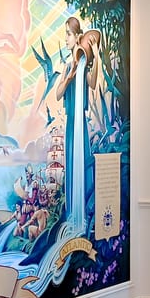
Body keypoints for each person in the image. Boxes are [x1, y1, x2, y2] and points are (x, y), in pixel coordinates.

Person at [54, 16, 103, 233]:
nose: (66, 39)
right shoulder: (68, 66)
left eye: (69, 34)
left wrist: (97, 57)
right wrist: (69, 77)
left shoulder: (84, 64)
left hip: (80, 123)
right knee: (72, 162)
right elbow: (58, 94)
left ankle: (83, 216)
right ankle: (72, 216)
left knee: (82, 162)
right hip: (71, 124)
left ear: (77, 37)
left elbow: (92, 83)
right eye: (66, 34)